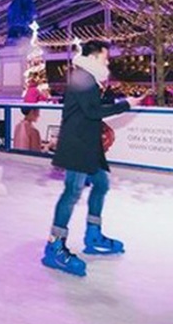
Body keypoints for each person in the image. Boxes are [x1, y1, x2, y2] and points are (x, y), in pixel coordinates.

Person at [42, 40, 141, 277]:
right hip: (77, 144)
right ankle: (54, 246)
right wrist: (124, 105)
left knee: (101, 183)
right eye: (105, 57)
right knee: (72, 192)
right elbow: (92, 112)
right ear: (94, 56)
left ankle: (93, 234)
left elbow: (91, 107)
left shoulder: (88, 78)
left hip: (88, 143)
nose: (107, 61)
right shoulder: (83, 77)